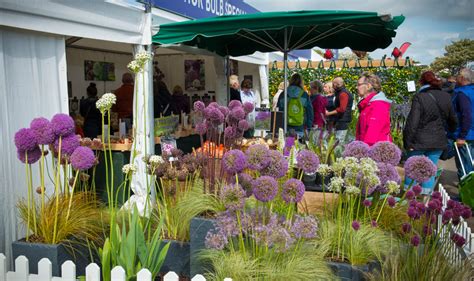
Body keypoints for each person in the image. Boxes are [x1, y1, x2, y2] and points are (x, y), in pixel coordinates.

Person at [403, 71, 457, 194]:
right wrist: (449, 134)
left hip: (419, 141)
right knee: (430, 170)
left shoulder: (420, 97)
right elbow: (453, 120)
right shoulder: (446, 97)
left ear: (421, 82)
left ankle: (409, 200)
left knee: (412, 169)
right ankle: (426, 201)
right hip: (438, 140)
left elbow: (412, 122)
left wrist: (407, 143)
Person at [450, 68, 474, 179]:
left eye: (458, 75)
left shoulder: (462, 94)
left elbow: (466, 115)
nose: (456, 77)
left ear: (463, 78)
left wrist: (462, 136)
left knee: (465, 167)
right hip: (470, 133)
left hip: (466, 135)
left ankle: (465, 195)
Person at [355, 73, 392, 146]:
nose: (356, 87)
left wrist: (363, 152)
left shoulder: (378, 105)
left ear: (368, 86)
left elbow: (372, 136)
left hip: (376, 151)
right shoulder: (367, 105)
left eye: (359, 85)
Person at [278, 73, 314, 138]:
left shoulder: (283, 94)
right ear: (301, 82)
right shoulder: (304, 95)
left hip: (285, 126)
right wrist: (308, 127)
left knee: (287, 146)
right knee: (298, 146)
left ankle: (289, 144)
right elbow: (310, 112)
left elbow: (278, 111)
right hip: (300, 127)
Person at [326, 77, 353, 143]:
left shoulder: (343, 94)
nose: (332, 86)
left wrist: (328, 113)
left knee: (338, 142)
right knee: (337, 142)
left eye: (333, 84)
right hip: (341, 120)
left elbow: (342, 109)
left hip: (343, 120)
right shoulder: (341, 92)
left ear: (335, 84)